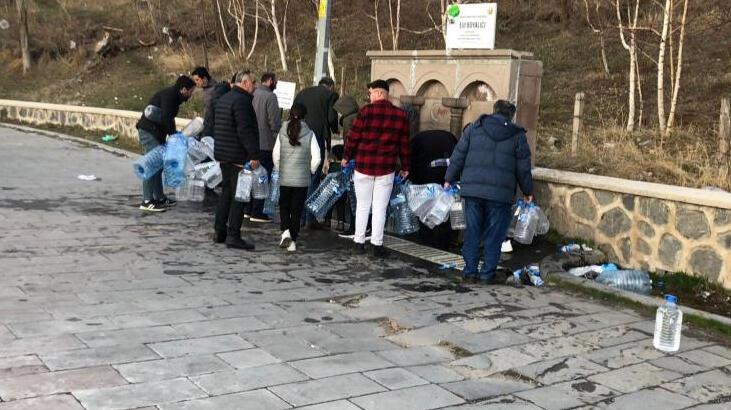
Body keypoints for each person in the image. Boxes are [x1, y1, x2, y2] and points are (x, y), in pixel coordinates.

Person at [444, 100, 533, 282]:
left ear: (494, 111)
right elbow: (523, 167)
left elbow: (458, 155)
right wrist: (527, 190)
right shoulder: (517, 135)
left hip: (473, 191)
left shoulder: (474, 128)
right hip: (500, 195)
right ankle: (486, 274)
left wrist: (448, 178)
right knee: (494, 235)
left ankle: (470, 272)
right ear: (511, 115)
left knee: (473, 232)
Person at [342, 80, 410, 257]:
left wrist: (346, 157)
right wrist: (405, 166)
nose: (369, 96)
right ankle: (376, 245)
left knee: (363, 206)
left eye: (371, 93)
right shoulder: (400, 115)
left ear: (380, 93)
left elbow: (353, 137)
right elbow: (404, 145)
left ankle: (358, 242)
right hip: (386, 169)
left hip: (363, 166)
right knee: (380, 207)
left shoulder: (365, 111)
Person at [212, 70, 260, 250]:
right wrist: (254, 154)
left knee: (226, 193)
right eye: (253, 82)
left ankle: (219, 231)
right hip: (238, 156)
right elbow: (244, 130)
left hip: (223, 153)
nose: (254, 86)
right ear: (245, 82)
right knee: (239, 196)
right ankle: (233, 235)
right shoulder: (242, 101)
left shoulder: (225, 98)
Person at [136, 75, 196, 212]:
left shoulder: (173, 96)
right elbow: (167, 118)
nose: (191, 95)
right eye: (191, 91)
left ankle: (160, 198)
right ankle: (146, 201)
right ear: (183, 89)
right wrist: (174, 136)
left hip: (156, 132)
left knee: (158, 166)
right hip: (149, 132)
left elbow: (168, 119)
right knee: (151, 164)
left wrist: (173, 135)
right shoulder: (170, 96)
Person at [273, 103, 321, 252]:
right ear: (305, 115)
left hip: (285, 177)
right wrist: (311, 170)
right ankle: (292, 240)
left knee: (284, 206)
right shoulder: (310, 133)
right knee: (296, 210)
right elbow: (317, 158)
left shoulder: (282, 130)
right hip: (302, 179)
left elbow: (276, 154)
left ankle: (285, 231)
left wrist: (280, 168)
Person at [293, 77, 339, 229]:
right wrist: (335, 129)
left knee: (300, 178)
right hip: (316, 137)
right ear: (330, 86)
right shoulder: (330, 95)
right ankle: (310, 219)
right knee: (313, 178)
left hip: (298, 137)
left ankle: (298, 217)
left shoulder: (303, 92)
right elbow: (332, 117)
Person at [410, 129, 458, 250]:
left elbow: (412, 163)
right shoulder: (449, 137)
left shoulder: (416, 141)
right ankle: (446, 238)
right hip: (447, 171)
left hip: (427, 173)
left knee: (425, 204)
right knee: (446, 203)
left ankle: (427, 237)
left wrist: (414, 180)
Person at [250, 71, 282, 223]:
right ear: (270, 81)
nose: (276, 84)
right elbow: (274, 122)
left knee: (252, 176)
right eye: (275, 81)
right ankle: (258, 211)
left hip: (252, 143)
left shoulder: (253, 94)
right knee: (263, 177)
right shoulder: (271, 97)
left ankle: (248, 209)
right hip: (266, 143)